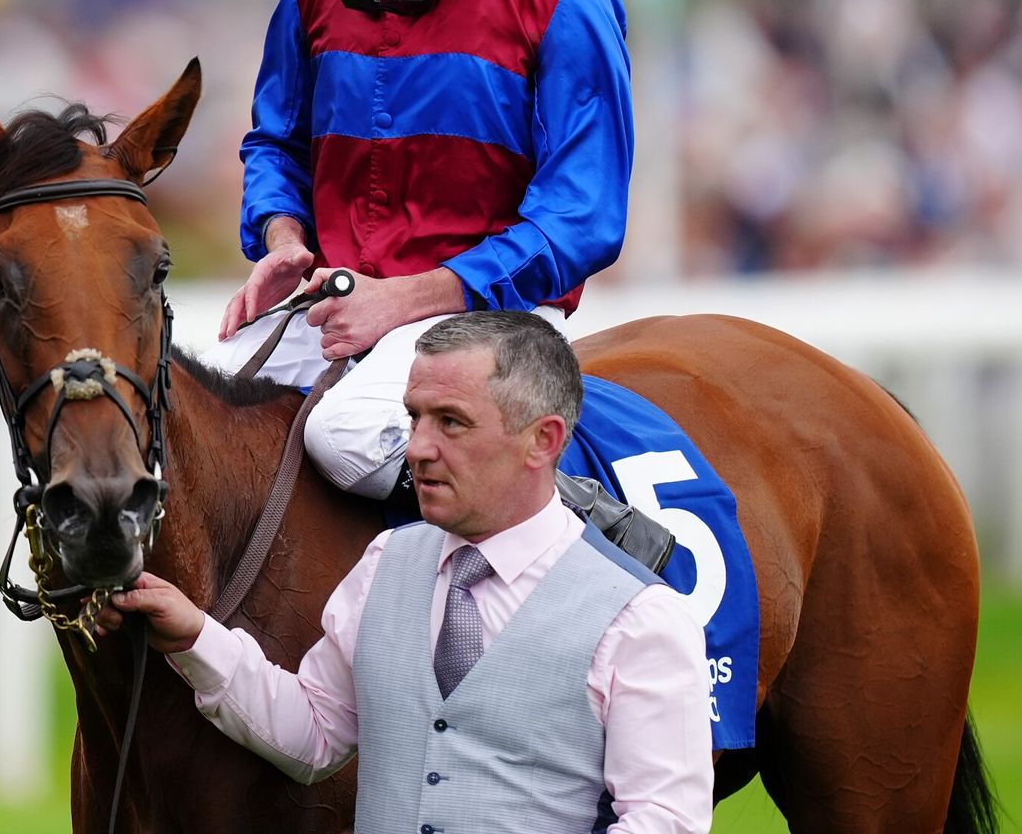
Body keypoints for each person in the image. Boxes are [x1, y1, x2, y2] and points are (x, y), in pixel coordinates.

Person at [206, 0, 634, 504]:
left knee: (348, 435)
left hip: (498, 314)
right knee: (190, 408)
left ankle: (568, 535)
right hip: (339, 297)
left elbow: (583, 220)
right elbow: (274, 143)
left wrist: (410, 297)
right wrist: (284, 238)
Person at [108, 312, 712, 833]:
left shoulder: (640, 619)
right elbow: (314, 732)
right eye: (413, 417)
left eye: (450, 422)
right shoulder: (384, 564)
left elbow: (664, 821)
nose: (417, 448)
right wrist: (193, 636)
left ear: (543, 441)